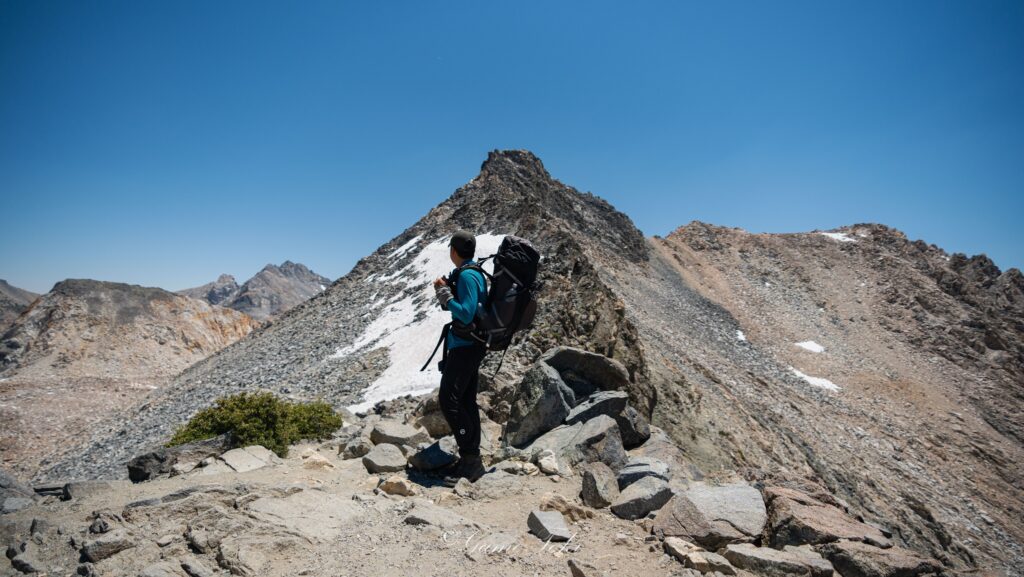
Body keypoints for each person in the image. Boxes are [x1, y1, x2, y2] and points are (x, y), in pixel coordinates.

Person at [432, 230, 488, 485]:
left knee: (449, 400)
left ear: (453, 251)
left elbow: (465, 314)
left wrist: (445, 295)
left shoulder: (466, 275)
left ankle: (470, 460)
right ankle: (471, 457)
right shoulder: (475, 273)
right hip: (472, 345)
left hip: (465, 346)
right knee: (465, 400)